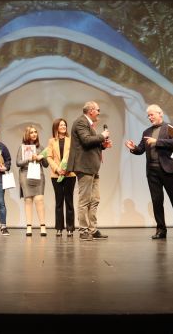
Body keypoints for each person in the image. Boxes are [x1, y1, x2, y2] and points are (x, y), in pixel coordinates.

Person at [125, 104, 173, 240]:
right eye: (148, 115)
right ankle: (161, 229)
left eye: (151, 115)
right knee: (157, 201)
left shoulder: (171, 127)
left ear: (160, 114)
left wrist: (157, 141)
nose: (149, 117)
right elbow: (141, 150)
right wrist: (133, 148)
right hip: (152, 171)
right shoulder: (146, 132)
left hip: (168, 170)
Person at [67, 101, 111, 241]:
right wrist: (102, 136)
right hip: (84, 166)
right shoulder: (81, 122)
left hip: (92, 167)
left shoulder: (88, 124)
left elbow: (90, 144)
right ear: (91, 110)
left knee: (95, 199)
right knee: (84, 200)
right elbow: (86, 141)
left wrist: (102, 145)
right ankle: (83, 230)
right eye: (97, 110)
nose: (99, 112)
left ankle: (93, 229)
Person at [16, 126, 49, 237]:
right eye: (31, 132)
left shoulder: (41, 147)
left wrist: (41, 157)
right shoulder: (22, 147)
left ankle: (42, 226)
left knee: (39, 199)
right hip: (25, 174)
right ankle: (29, 226)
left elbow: (46, 165)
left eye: (35, 132)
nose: (34, 134)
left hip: (38, 174)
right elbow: (18, 163)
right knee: (28, 200)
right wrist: (29, 159)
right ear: (27, 134)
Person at [46, 118, 76, 237]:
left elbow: (74, 156)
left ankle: (70, 228)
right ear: (56, 127)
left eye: (65, 124)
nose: (63, 126)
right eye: (61, 125)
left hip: (69, 174)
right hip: (56, 174)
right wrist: (57, 168)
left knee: (69, 201)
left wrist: (67, 169)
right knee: (59, 201)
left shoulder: (71, 140)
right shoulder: (51, 141)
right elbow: (49, 157)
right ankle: (59, 228)